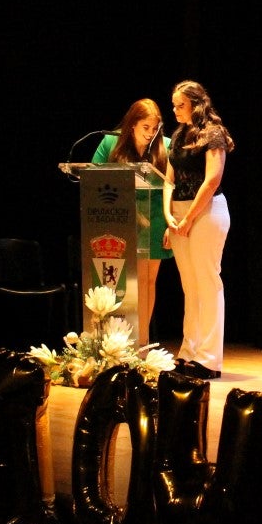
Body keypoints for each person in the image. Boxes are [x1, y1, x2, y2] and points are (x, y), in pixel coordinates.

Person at [162, 80, 234, 380]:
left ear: (195, 104)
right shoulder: (179, 135)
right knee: (189, 286)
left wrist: (189, 217)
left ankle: (209, 358)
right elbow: (169, 179)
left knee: (207, 282)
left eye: (180, 104)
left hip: (206, 212)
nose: (175, 110)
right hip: (179, 214)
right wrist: (168, 216)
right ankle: (189, 351)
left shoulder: (213, 134)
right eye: (175, 104)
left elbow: (212, 180)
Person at [91, 98, 172, 345]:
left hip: (155, 215)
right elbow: (92, 175)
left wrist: (170, 223)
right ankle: (112, 341)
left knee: (148, 280)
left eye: (154, 127)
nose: (150, 133)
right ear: (132, 124)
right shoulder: (110, 141)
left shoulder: (166, 146)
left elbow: (175, 187)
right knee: (119, 279)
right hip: (118, 217)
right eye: (145, 127)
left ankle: (141, 340)